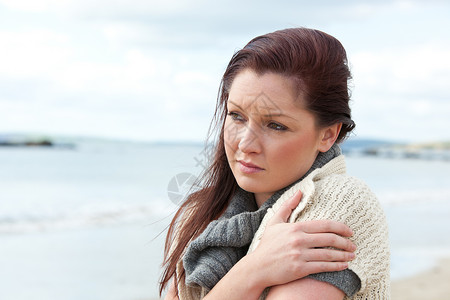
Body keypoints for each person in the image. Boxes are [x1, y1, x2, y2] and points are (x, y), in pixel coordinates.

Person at [160, 27, 390, 300]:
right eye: (236, 116)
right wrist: (255, 269)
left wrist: (251, 272)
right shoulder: (200, 215)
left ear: (328, 134)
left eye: (276, 125)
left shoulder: (343, 203)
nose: (245, 144)